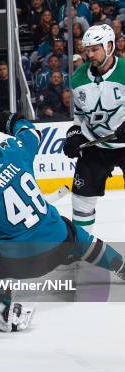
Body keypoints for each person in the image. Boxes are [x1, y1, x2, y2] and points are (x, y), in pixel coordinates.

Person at [0, 112, 125, 317]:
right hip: (60, 243)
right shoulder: (15, 152)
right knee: (79, 235)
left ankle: (2, 308)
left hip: (18, 262)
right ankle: (120, 265)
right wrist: (12, 121)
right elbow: (31, 132)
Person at [65, 24, 125, 234]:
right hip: (96, 145)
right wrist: (73, 135)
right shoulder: (78, 79)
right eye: (86, 49)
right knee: (81, 202)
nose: (89, 54)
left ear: (109, 46)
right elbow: (79, 116)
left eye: (94, 49)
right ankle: (83, 251)